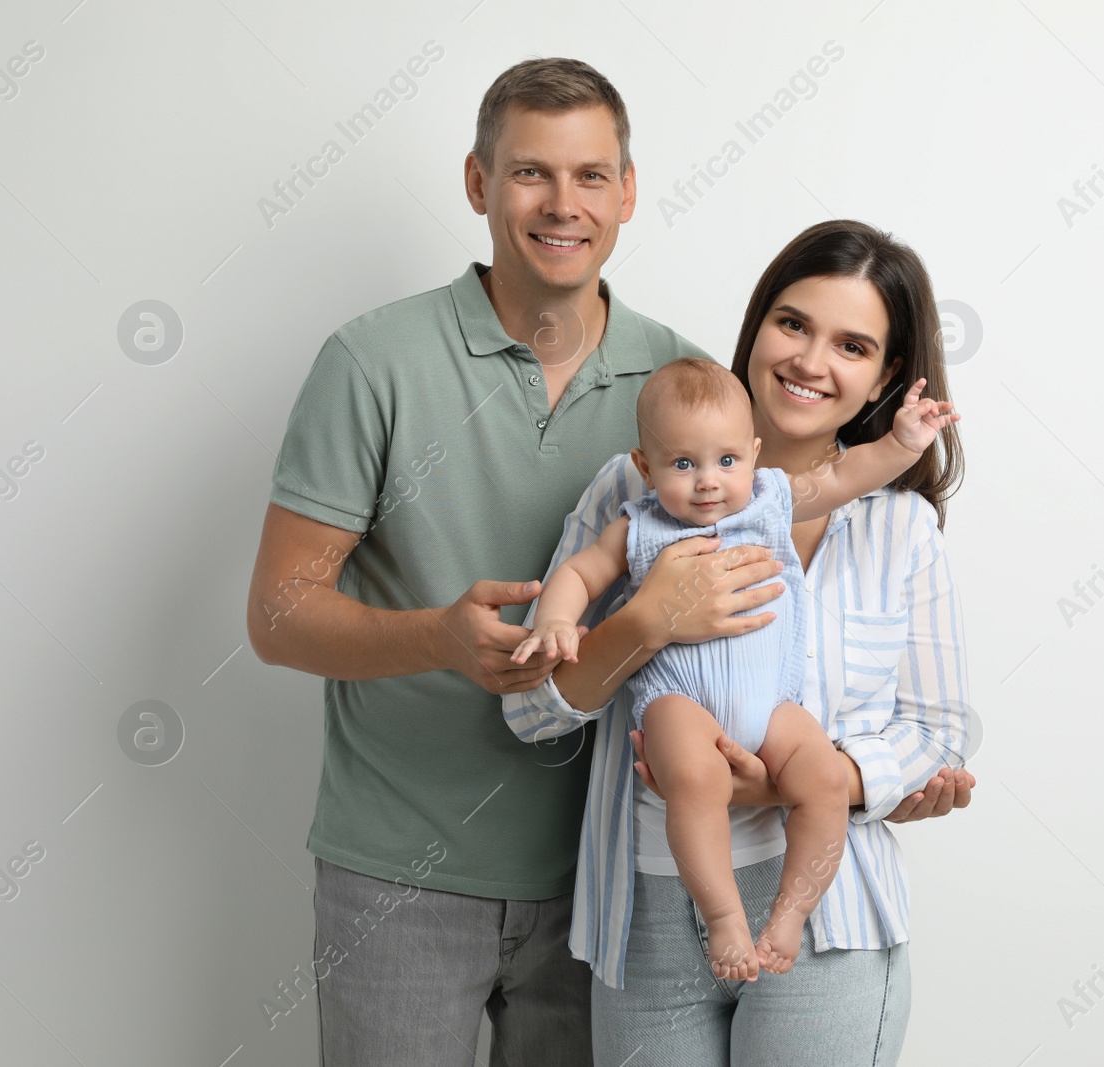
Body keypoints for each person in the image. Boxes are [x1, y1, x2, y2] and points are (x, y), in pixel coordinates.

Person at [244, 58, 768, 1066]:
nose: (562, 204)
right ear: (479, 184)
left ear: (626, 190)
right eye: (530, 173)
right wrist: (438, 634)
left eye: (589, 175)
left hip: (614, 874)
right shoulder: (371, 361)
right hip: (396, 872)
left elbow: (745, 606)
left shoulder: (692, 392)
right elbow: (275, 616)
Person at [502, 219, 978, 1065]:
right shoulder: (630, 491)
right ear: (758, 325)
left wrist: (797, 782)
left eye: (853, 344)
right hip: (646, 915)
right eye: (793, 323)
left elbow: (935, 731)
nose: (809, 359)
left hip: (830, 924)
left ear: (887, 375)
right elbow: (529, 712)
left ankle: (785, 902)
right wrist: (645, 619)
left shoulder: (901, 529)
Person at [510, 356, 959, 980]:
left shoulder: (773, 498)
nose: (707, 483)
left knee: (825, 781)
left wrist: (900, 443)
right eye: (682, 464)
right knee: (694, 782)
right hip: (679, 701)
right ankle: (723, 917)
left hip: (773, 702)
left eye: (726, 461)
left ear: (751, 455)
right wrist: (557, 621)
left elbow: (847, 475)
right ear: (645, 467)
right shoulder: (638, 525)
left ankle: (790, 915)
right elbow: (579, 575)